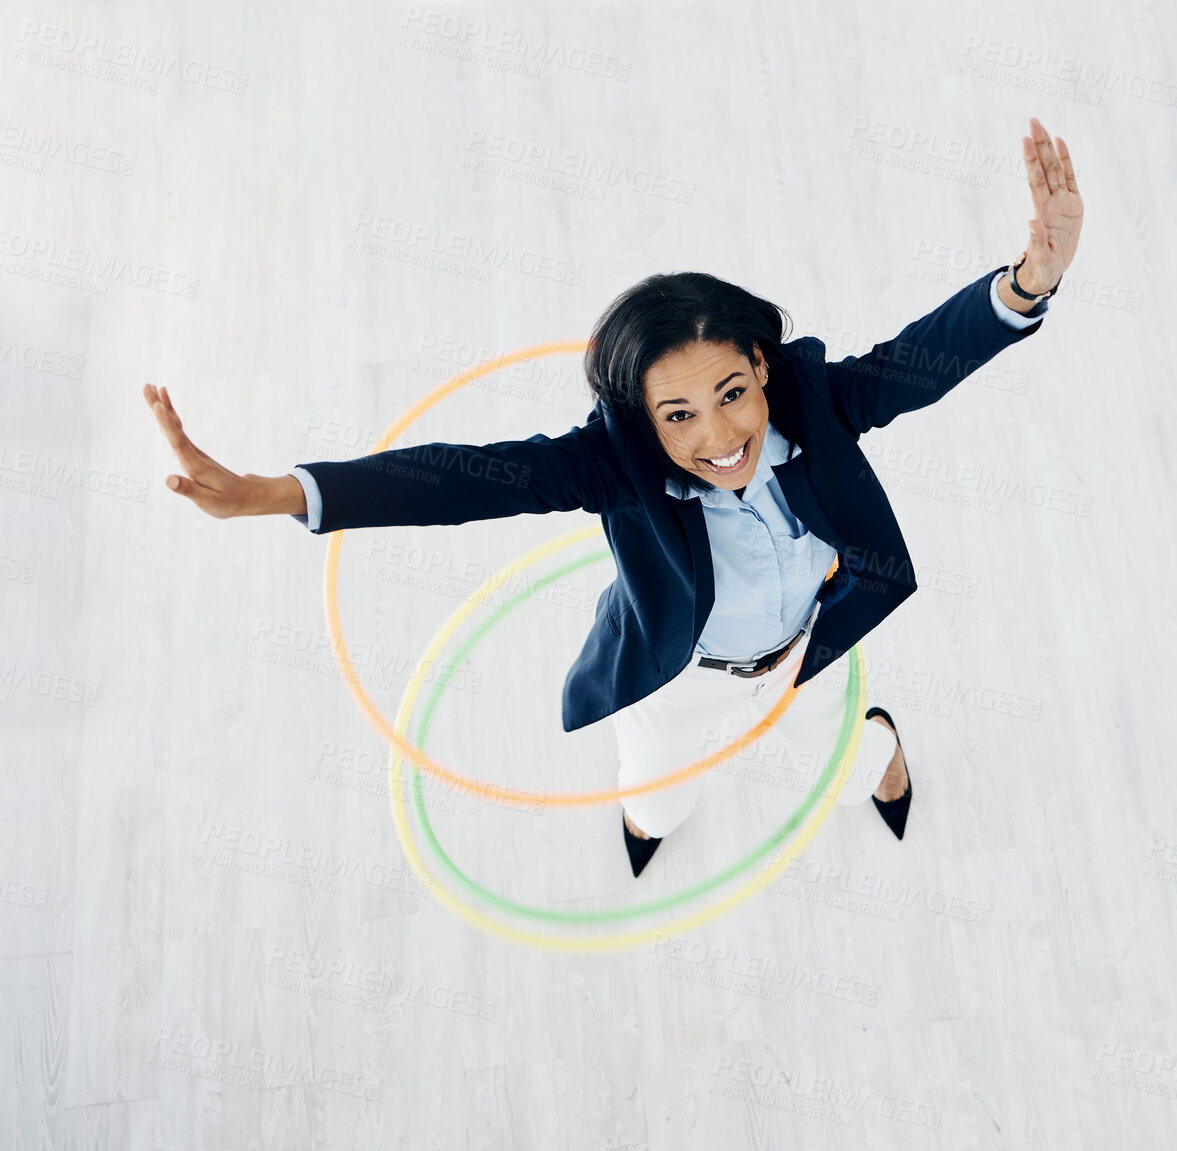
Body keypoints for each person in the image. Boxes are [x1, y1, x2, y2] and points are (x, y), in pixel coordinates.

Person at [143, 117, 1083, 877]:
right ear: (641, 418)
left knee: (850, 759)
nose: (718, 438)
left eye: (731, 395)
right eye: (677, 415)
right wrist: (278, 493)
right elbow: (457, 479)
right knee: (654, 794)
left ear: (760, 365)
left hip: (804, 655)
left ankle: (883, 754)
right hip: (676, 679)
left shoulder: (821, 404)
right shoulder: (611, 464)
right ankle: (651, 821)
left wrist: (1028, 281)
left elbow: (921, 363)